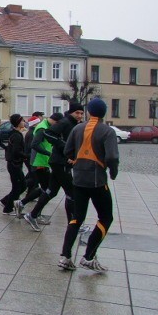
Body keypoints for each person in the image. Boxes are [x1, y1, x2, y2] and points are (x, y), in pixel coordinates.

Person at [59, 98, 119, 272]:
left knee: (76, 217)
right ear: (104, 112)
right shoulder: (107, 131)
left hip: (78, 179)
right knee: (106, 217)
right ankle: (89, 256)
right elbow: (112, 157)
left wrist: (77, 160)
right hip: (97, 181)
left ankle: (65, 256)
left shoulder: (78, 128)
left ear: (89, 112)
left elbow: (67, 151)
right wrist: (113, 172)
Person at [24, 102, 85, 231]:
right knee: (72, 194)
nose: (79, 115)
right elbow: (49, 134)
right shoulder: (65, 122)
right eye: (77, 113)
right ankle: (73, 225)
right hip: (60, 162)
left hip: (59, 161)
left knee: (51, 191)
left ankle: (32, 215)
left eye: (81, 113)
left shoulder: (74, 124)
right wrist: (65, 148)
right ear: (71, 112)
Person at [14, 112, 63, 219]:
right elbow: (34, 145)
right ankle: (33, 212)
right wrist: (49, 154)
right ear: (55, 121)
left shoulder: (47, 126)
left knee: (45, 189)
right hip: (39, 163)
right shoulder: (42, 128)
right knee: (47, 190)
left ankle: (22, 203)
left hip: (44, 162)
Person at [0, 114, 27, 215]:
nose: (24, 122)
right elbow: (16, 151)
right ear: (18, 122)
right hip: (14, 164)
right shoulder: (16, 135)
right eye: (23, 120)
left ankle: (5, 202)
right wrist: (26, 156)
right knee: (19, 186)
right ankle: (7, 208)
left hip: (15, 163)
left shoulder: (16, 133)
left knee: (21, 185)